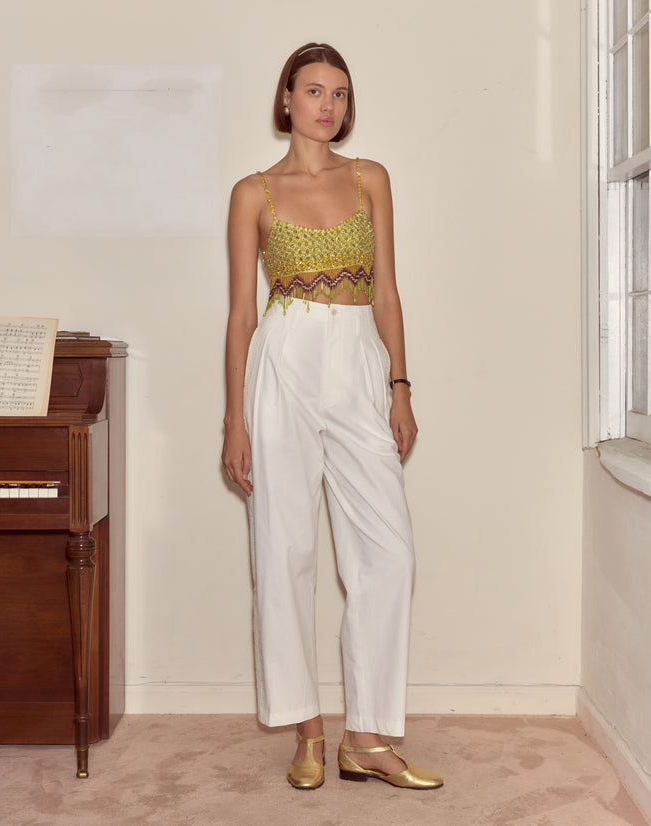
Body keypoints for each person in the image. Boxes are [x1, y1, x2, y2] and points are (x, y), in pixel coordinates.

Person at [222, 42, 442, 792]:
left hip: (356, 360)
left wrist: (401, 386)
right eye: (314, 90)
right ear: (286, 100)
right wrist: (233, 422)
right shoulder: (253, 192)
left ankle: (369, 736)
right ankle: (307, 730)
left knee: (389, 552)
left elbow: (386, 292)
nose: (328, 105)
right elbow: (240, 315)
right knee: (283, 551)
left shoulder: (369, 177)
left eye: (341, 93)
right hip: (283, 358)